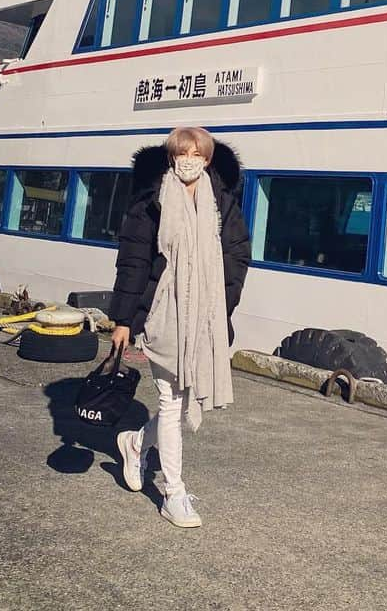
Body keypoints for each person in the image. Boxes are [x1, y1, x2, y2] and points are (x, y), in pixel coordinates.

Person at [109, 127, 251, 529]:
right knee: (172, 403)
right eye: (182, 152)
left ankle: (135, 443)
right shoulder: (149, 204)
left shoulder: (222, 204)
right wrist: (123, 320)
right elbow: (133, 263)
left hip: (204, 318)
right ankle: (173, 493)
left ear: (207, 159)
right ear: (171, 157)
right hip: (163, 316)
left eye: (197, 153)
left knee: (183, 403)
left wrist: (219, 302)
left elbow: (238, 255)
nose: (189, 159)